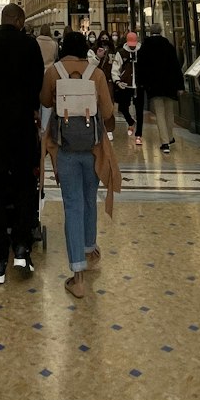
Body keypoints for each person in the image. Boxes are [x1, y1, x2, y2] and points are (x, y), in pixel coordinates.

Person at [41, 29, 121, 300]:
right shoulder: (96, 74)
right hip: (93, 148)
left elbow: (43, 101)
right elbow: (108, 112)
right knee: (89, 199)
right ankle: (89, 248)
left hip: (65, 149)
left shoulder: (54, 71)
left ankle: (78, 277)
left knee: (72, 205)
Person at [0, 2, 44, 285]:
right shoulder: (30, 46)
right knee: (26, 185)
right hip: (23, 129)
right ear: (20, 20)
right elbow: (37, 84)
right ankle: (22, 249)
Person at [139, 23, 182, 153]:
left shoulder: (145, 47)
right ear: (161, 31)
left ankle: (165, 142)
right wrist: (180, 85)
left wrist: (142, 83)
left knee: (160, 113)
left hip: (154, 85)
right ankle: (169, 137)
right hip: (169, 85)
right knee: (169, 113)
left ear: (150, 32)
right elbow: (176, 66)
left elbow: (141, 67)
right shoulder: (168, 46)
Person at [111, 37, 138, 138]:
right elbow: (115, 68)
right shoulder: (121, 53)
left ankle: (138, 133)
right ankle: (131, 121)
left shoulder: (140, 51)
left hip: (138, 84)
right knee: (123, 107)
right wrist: (117, 81)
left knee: (138, 107)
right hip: (125, 84)